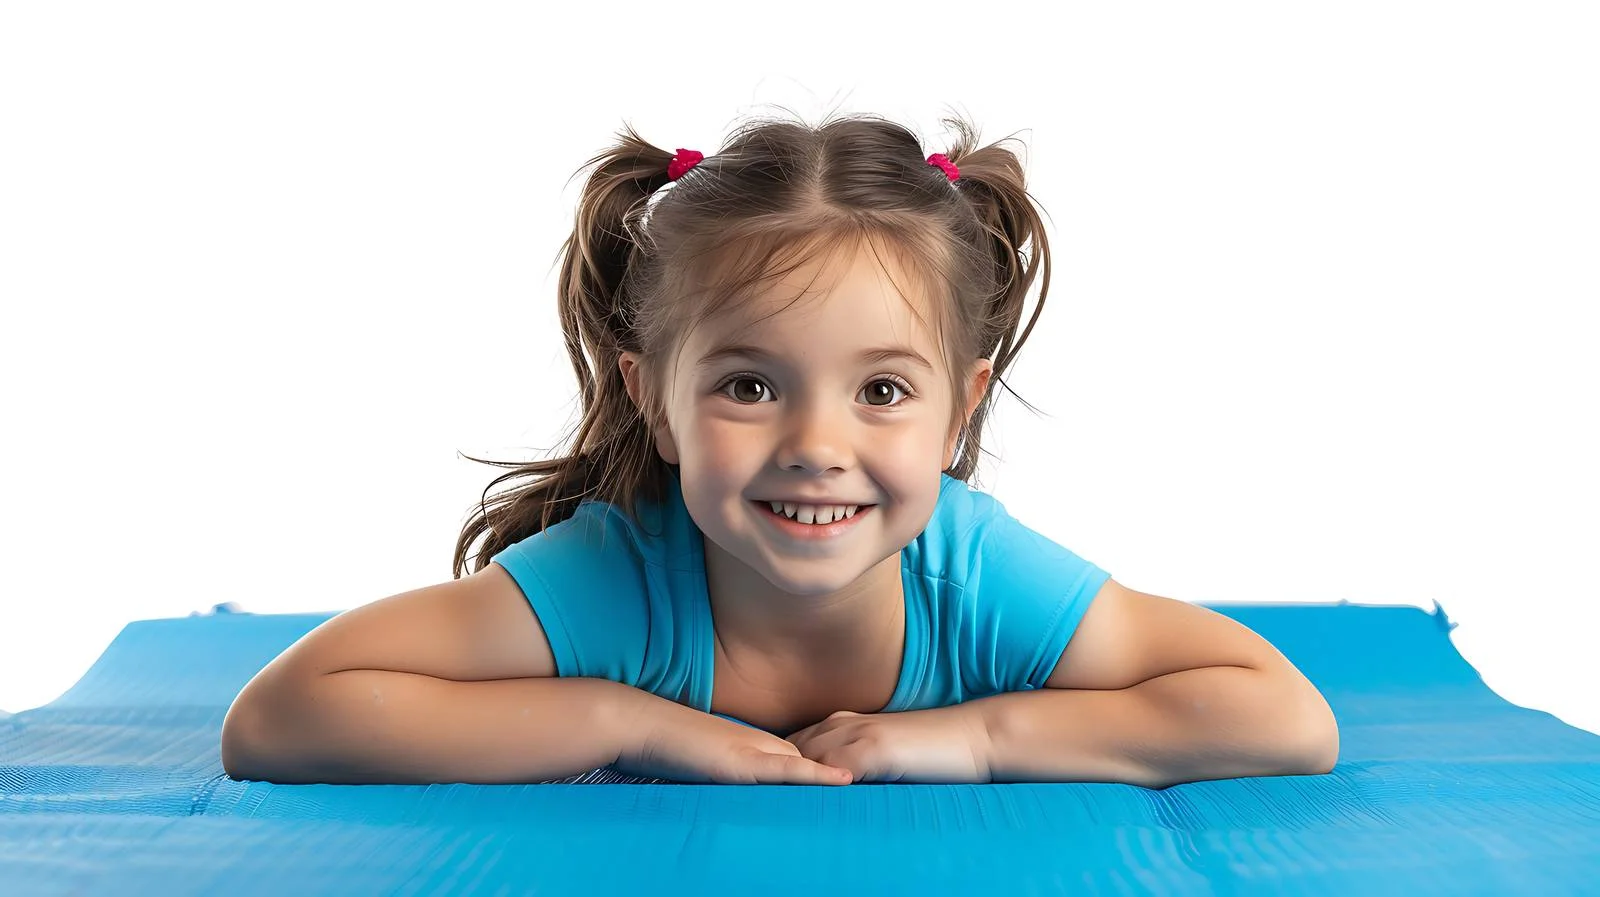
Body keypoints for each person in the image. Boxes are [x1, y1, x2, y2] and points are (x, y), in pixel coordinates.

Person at [220, 110, 1339, 789]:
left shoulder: (972, 573)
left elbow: (1283, 716)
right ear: (654, 402)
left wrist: (982, 737)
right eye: (749, 385)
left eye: (882, 390)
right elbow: (277, 717)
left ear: (958, 413)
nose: (815, 445)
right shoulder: (617, 580)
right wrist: (632, 723)